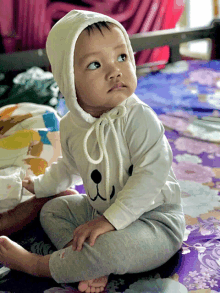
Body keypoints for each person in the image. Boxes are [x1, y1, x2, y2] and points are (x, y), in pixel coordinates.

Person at [0, 10, 185, 293]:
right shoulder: (72, 125)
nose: (115, 71)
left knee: (109, 249)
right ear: (67, 80)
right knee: (53, 210)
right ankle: (84, 264)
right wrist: (39, 185)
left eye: (122, 57)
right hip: (102, 210)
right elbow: (67, 167)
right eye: (95, 64)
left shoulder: (139, 118)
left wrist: (109, 221)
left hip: (154, 221)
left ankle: (40, 265)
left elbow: (152, 174)